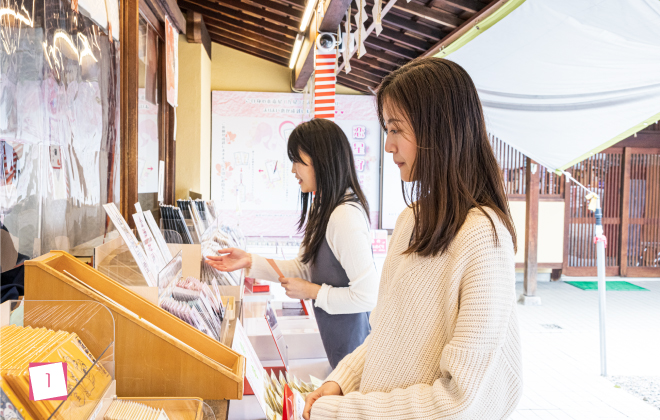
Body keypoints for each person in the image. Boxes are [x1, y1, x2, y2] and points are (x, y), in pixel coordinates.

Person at [303, 57, 523, 420]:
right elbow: (386, 334)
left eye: (396, 129)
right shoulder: (409, 221)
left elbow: (458, 399)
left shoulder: (484, 236)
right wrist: (342, 380)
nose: (388, 145)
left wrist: (343, 411)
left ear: (438, 130)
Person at [206, 118, 379, 369]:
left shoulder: (344, 216)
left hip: (358, 357)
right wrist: (250, 261)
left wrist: (312, 292)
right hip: (341, 353)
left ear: (322, 160)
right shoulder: (326, 208)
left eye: (298, 161)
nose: (292, 170)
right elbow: (305, 268)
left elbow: (367, 296)